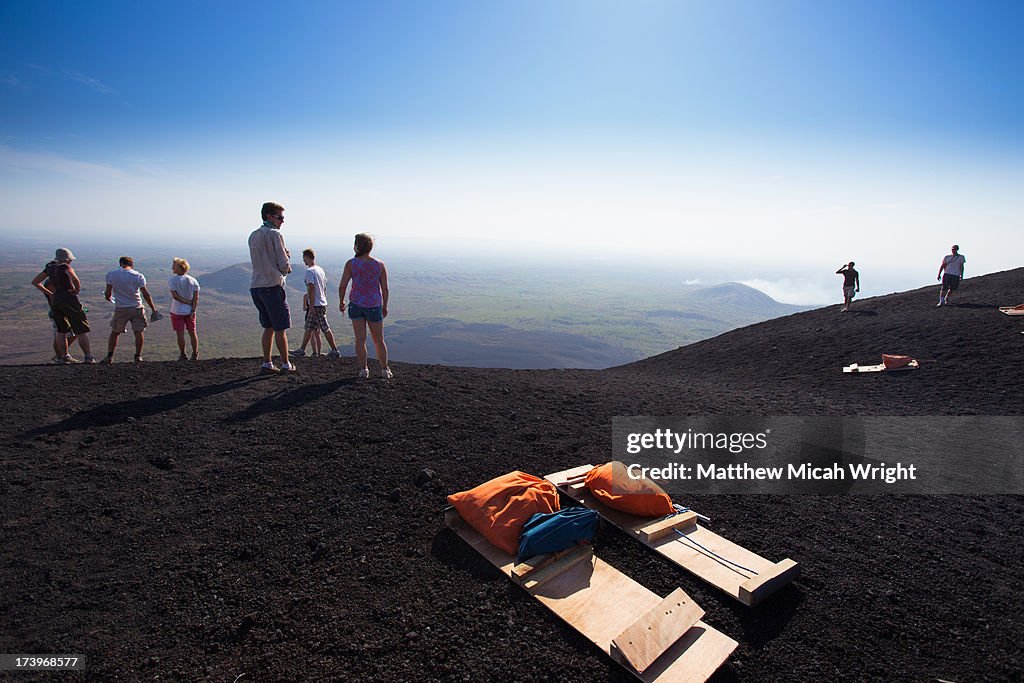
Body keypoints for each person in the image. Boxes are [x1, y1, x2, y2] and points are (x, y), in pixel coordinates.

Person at [248, 201, 295, 373]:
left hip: (256, 286)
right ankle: (285, 364)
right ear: (269, 216)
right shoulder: (275, 235)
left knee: (267, 326)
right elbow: (283, 265)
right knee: (280, 328)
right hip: (272, 286)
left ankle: (267, 363)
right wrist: (287, 261)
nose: (282, 221)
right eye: (280, 217)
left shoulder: (253, 235)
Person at [338, 233, 391, 379]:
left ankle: (363, 369)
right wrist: (385, 306)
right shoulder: (379, 265)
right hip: (374, 305)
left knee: (360, 339)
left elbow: (343, 286)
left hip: (356, 304)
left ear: (357, 247)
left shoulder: (351, 264)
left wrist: (341, 301)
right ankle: (384, 370)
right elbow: (385, 288)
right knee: (378, 339)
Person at [30, 248, 96, 363]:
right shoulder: (65, 267)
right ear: (67, 259)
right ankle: (88, 356)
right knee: (81, 329)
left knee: (61, 331)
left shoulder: (49, 269)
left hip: (56, 302)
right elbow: (75, 279)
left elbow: (35, 282)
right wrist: (76, 290)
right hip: (68, 299)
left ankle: (63, 357)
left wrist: (51, 294)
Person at [103, 256, 160, 363]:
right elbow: (145, 293)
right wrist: (153, 308)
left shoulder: (111, 275)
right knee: (138, 332)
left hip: (121, 308)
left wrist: (108, 298)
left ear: (120, 264)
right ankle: (138, 356)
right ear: (132, 265)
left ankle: (110, 356)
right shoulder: (138, 276)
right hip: (137, 307)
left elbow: (108, 293)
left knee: (115, 332)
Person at [293, 248, 340, 358]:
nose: (303, 261)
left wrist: (312, 305)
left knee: (324, 327)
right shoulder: (320, 270)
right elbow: (324, 287)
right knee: (309, 327)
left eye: (304, 258)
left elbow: (311, 288)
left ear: (306, 257)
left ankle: (334, 350)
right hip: (321, 303)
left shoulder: (309, 272)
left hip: (316, 304)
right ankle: (302, 349)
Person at [168, 257, 200, 361]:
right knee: (192, 332)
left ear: (179, 268)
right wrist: (192, 308)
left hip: (177, 310)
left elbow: (175, 296)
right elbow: (196, 298)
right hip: (190, 311)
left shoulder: (172, 280)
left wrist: (187, 302)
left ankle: (183, 354)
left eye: (174, 266)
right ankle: (195, 354)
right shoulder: (193, 281)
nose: (172, 268)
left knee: (180, 333)